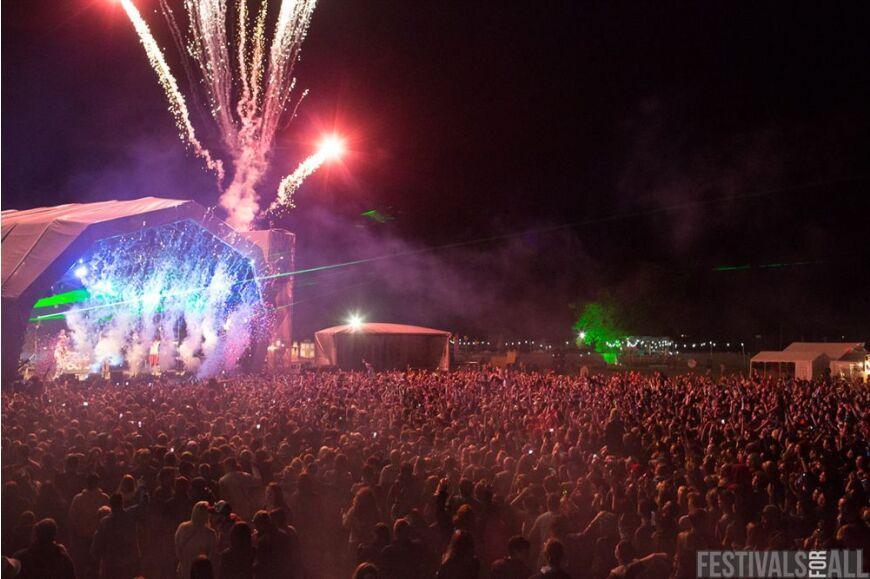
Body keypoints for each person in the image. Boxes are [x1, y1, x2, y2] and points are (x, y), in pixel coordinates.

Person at [90, 493, 142, 579]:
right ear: (122, 503)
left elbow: (96, 547)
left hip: (111, 565)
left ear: (110, 504)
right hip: (128, 564)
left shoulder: (104, 522)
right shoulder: (130, 518)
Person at [67, 473, 109, 576]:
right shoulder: (104, 498)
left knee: (81, 567)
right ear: (98, 483)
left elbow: (71, 519)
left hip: (82, 537)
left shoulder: (78, 498)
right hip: (98, 538)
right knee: (96, 567)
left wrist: (72, 536)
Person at [175, 501, 217, 579]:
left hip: (187, 570)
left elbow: (178, 549)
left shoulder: (183, 528)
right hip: (199, 572)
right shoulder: (210, 534)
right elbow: (211, 556)